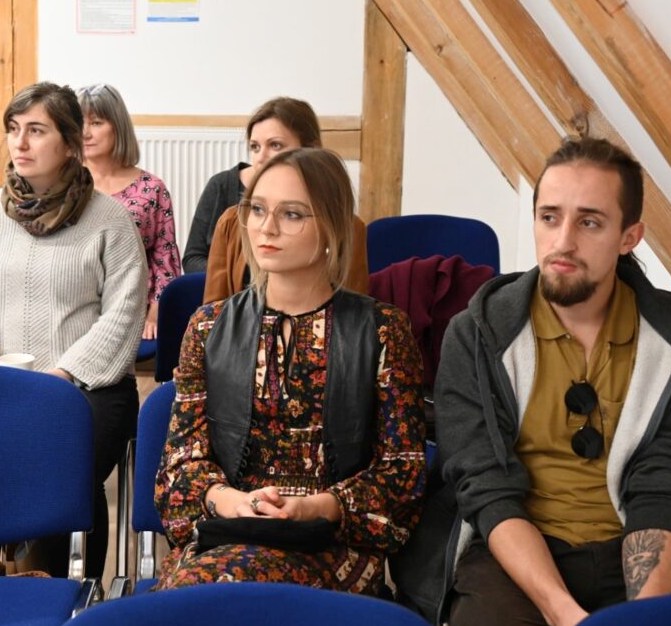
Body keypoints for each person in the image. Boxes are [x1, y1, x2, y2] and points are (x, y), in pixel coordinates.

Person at [396, 137, 671, 626]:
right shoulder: (478, 335)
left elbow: (666, 490)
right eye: (549, 218)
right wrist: (568, 617)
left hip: (639, 546)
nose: (563, 241)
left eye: (589, 222)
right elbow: (486, 488)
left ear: (629, 237)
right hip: (517, 555)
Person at [154, 148, 427, 595]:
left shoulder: (382, 331)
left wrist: (315, 507)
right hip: (227, 535)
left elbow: (403, 474)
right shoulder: (207, 327)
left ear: (332, 227)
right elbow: (179, 467)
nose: (267, 227)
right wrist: (231, 502)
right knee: (211, 591)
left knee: (228, 598)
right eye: (257, 210)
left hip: (332, 543)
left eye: (293, 214)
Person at [0, 81, 147, 578]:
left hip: (88, 387)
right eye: (13, 130)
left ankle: (68, 591)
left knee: (54, 456)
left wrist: (65, 372)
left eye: (36, 131)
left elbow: (124, 315)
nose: (19, 143)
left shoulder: (110, 222)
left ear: (70, 143)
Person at [196, 97, 369, 302]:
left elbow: (354, 312)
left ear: (310, 151)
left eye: (276, 145)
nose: (261, 157)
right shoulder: (231, 221)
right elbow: (215, 315)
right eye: (254, 147)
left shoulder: (348, 227)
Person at [78, 83, 181, 339]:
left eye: (97, 122)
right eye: (79, 123)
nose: (85, 133)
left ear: (118, 126)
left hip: (132, 307)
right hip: (74, 307)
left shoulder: (151, 188)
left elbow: (165, 257)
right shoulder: (66, 186)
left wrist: (156, 313)